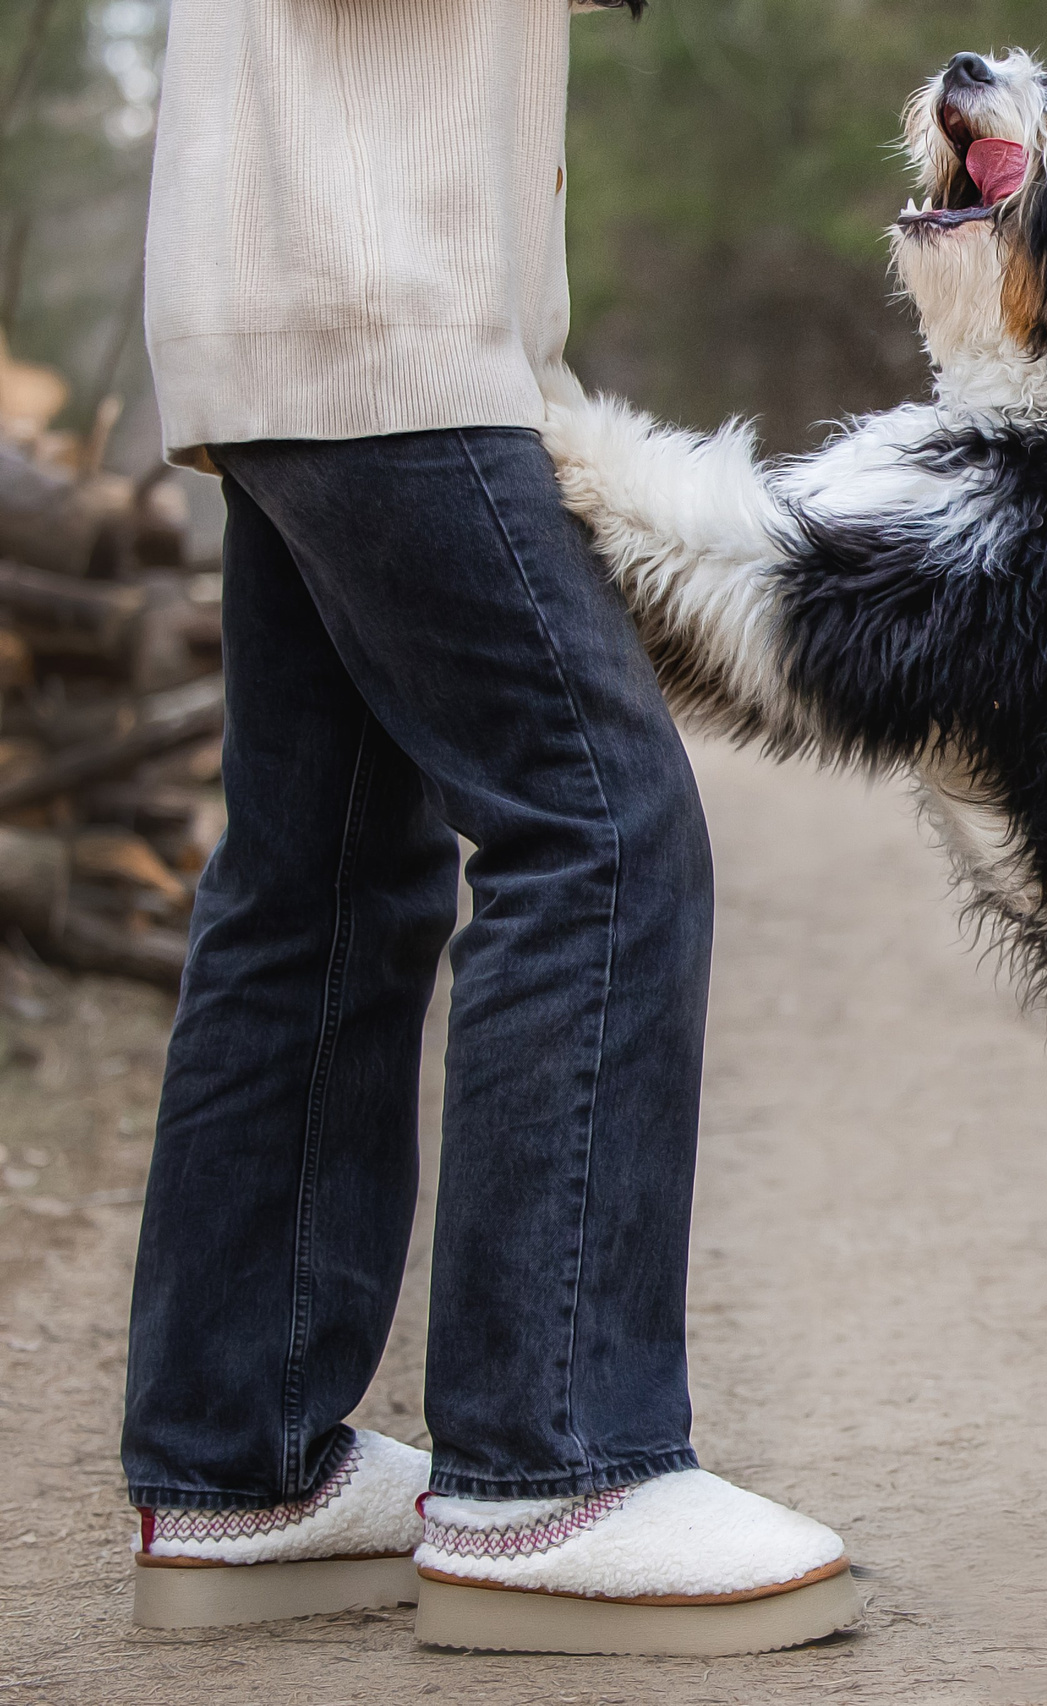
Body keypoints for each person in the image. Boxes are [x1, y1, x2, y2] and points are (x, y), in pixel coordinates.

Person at [119, 0, 856, 1655]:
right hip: (381, 297)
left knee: (318, 888)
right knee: (598, 832)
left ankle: (241, 1467)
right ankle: (556, 1468)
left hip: (299, 287)